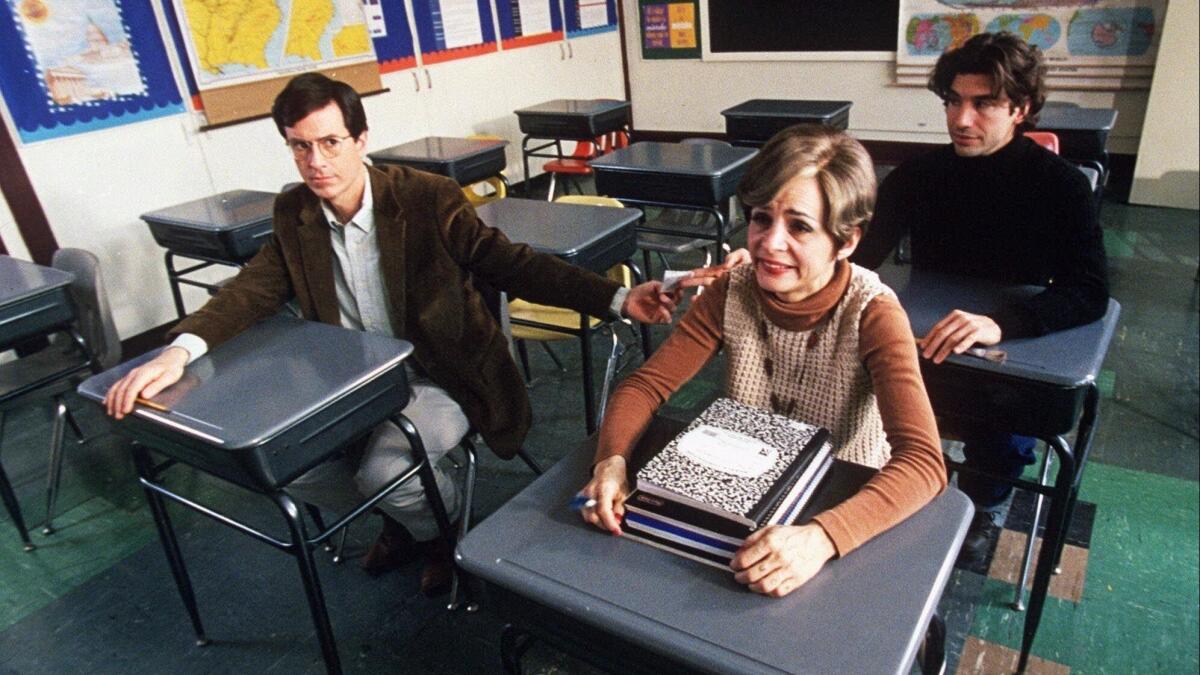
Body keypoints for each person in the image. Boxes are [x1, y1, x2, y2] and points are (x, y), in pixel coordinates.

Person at [105, 72, 681, 595]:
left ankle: (437, 534)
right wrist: (178, 351)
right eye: (300, 146)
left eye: (330, 142)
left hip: (442, 377)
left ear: (360, 140)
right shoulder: (294, 211)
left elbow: (510, 262)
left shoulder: (425, 199)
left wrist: (616, 297)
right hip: (349, 382)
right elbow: (251, 288)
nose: (316, 162)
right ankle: (405, 519)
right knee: (293, 467)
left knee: (384, 472)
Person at [578, 124, 947, 597]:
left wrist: (822, 538)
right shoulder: (730, 292)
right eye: (760, 219)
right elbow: (643, 387)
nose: (770, 243)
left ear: (847, 241)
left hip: (838, 498)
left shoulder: (872, 312)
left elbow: (923, 464)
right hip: (743, 490)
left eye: (799, 226)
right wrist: (610, 462)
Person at [851, 32, 1109, 563]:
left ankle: (985, 506)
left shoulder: (1061, 187)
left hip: (1005, 349)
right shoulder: (917, 177)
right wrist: (790, 259)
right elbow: (862, 255)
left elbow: (1089, 292)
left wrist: (1002, 322)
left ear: (1022, 109)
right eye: (953, 102)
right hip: (921, 331)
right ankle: (889, 471)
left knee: (1006, 430)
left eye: (983, 103)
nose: (961, 119)